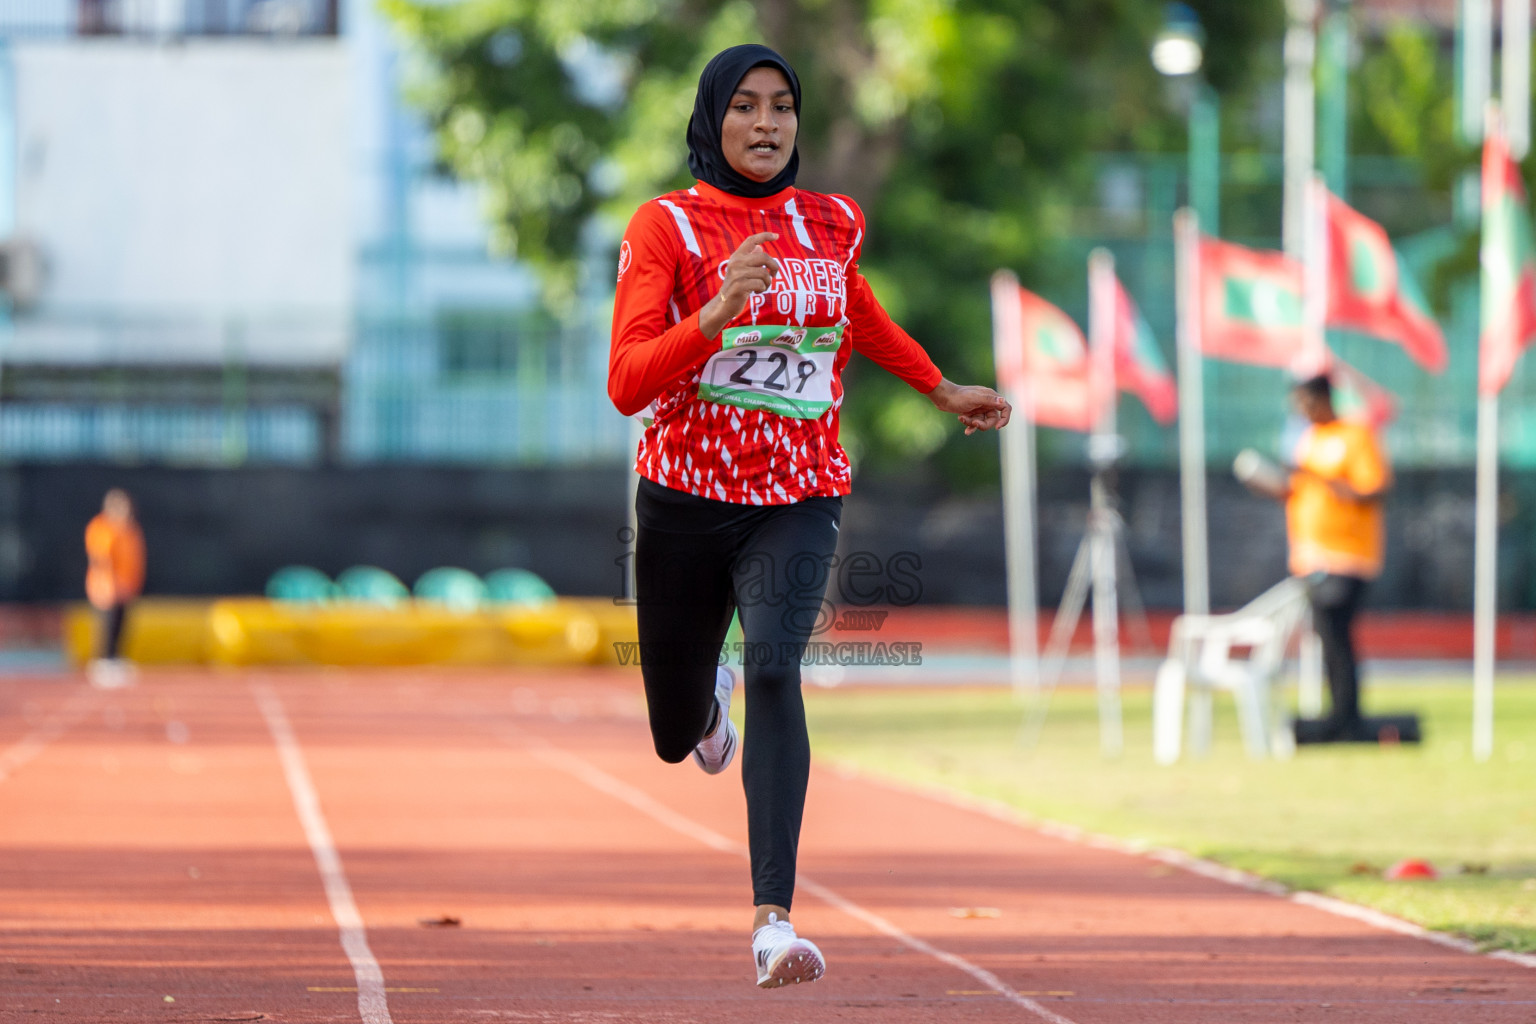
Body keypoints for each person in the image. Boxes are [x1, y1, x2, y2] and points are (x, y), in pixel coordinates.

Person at [608, 44, 1010, 988]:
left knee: (780, 665)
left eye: (782, 107)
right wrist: (713, 317)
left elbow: (856, 309)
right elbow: (626, 384)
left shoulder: (832, 220)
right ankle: (705, 713)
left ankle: (773, 924)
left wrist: (939, 386)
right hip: (684, 497)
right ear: (715, 119)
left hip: (799, 488)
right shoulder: (665, 225)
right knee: (672, 733)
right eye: (745, 106)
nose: (765, 124)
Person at [1242, 374, 1391, 742]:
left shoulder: (1355, 436)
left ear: (1324, 399)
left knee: (1337, 636)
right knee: (1326, 638)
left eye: (1306, 402)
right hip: (1311, 558)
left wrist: (1317, 477)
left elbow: (1373, 491)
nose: (1301, 410)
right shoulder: (1308, 441)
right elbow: (1298, 493)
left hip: (1348, 557)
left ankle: (1346, 719)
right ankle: (1339, 717)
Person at [85, 488, 146, 686]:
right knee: (107, 625)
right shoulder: (102, 527)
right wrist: (109, 584)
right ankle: (104, 661)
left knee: (122, 624)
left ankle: (116, 659)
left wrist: (132, 583)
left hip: (126, 586)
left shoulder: (130, 530)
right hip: (107, 587)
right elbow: (101, 558)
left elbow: (136, 559)